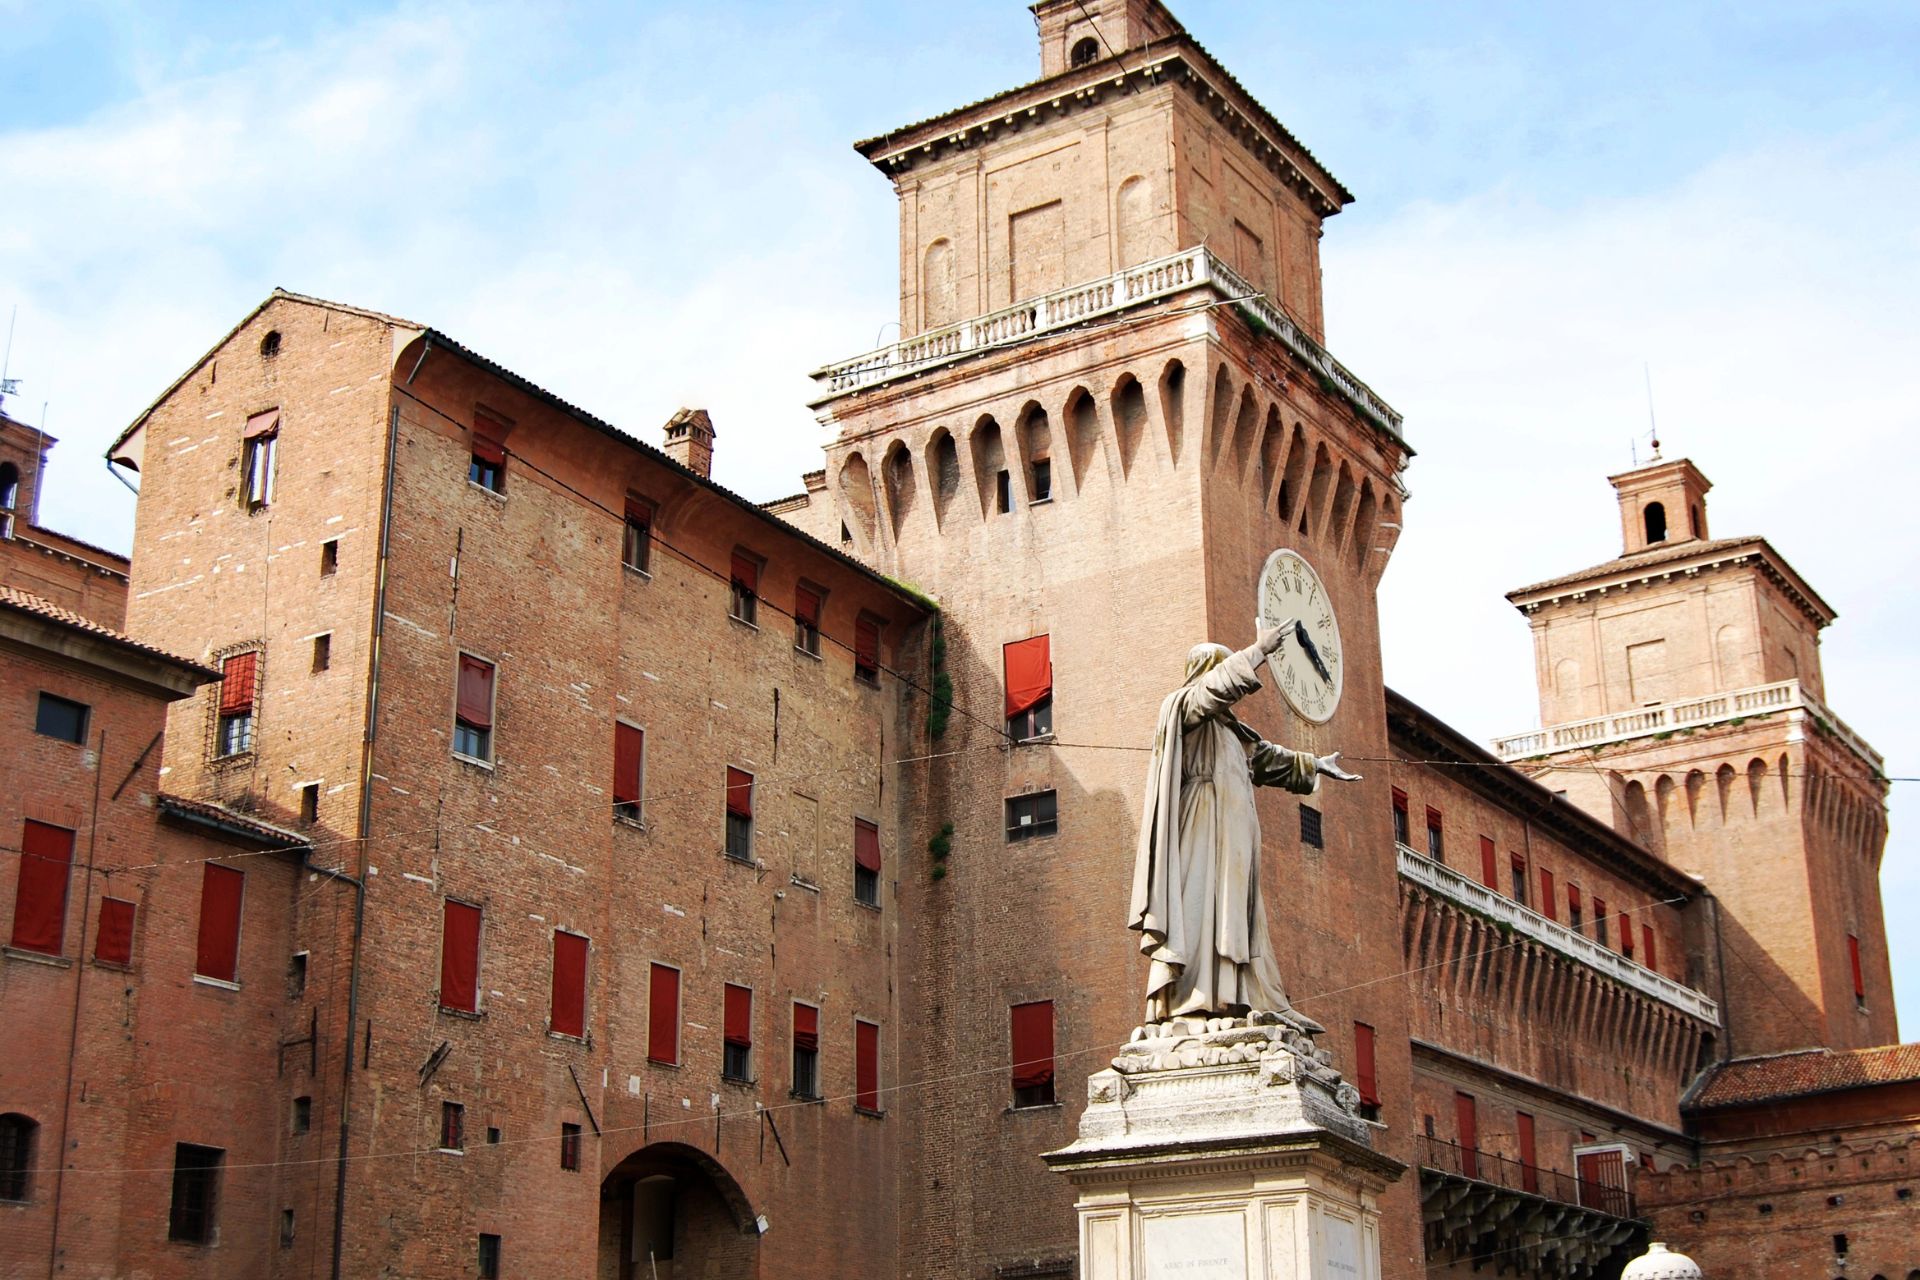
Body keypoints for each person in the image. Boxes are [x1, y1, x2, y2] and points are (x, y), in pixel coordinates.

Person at [1127, 621, 1361, 1024]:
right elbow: (1213, 692)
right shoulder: (1184, 708)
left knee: (1238, 915)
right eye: (1223, 666)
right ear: (1207, 670)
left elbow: (1265, 758)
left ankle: (1244, 997)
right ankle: (1195, 999)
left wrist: (1314, 765)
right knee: (1201, 908)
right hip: (1202, 828)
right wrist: (1258, 651)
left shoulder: (1230, 732)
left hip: (1233, 834)